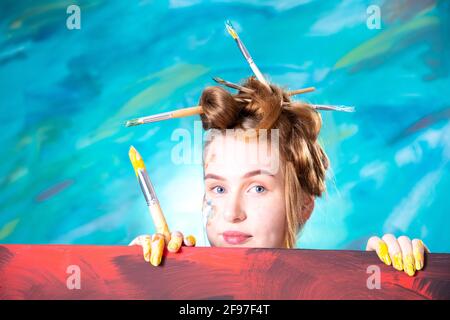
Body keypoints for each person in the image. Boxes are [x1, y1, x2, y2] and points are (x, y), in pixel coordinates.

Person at [130, 77, 428, 276]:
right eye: (218, 189)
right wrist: (128, 279)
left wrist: (408, 285)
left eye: (257, 188)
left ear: (303, 206)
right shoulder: (179, 289)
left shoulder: (341, 290)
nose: (232, 214)